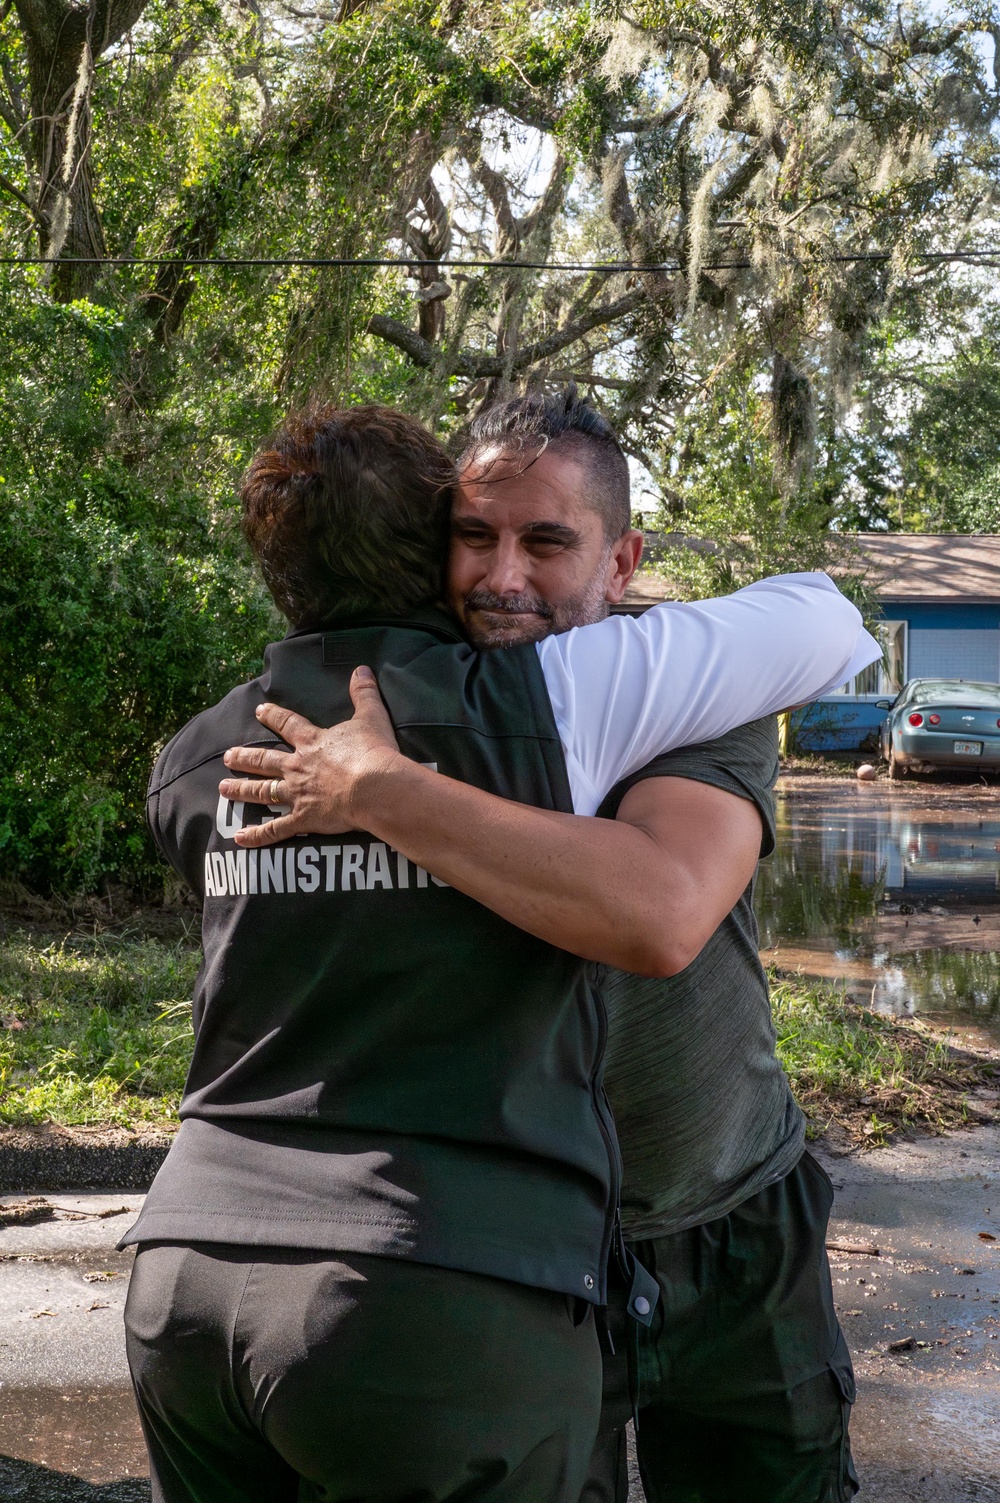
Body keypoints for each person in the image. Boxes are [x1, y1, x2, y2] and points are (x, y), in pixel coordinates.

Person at [126, 402, 877, 1503]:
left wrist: (387, 795)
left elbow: (662, 914)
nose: (500, 576)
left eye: (546, 542)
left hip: (715, 1220)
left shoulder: (686, 697)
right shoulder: (395, 709)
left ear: (622, 559)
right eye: (473, 537)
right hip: (510, 1254)